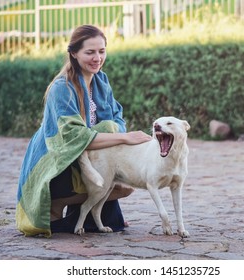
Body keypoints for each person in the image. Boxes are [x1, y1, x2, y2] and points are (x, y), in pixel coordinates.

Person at [16, 25, 151, 237]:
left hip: (92, 157)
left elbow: (116, 117)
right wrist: (124, 137)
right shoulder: (62, 87)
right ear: (74, 53)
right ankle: (57, 199)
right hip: (58, 162)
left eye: (101, 51)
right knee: (116, 180)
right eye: (90, 52)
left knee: (126, 186)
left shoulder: (101, 80)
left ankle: (91, 213)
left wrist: (118, 133)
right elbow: (73, 138)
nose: (97, 58)